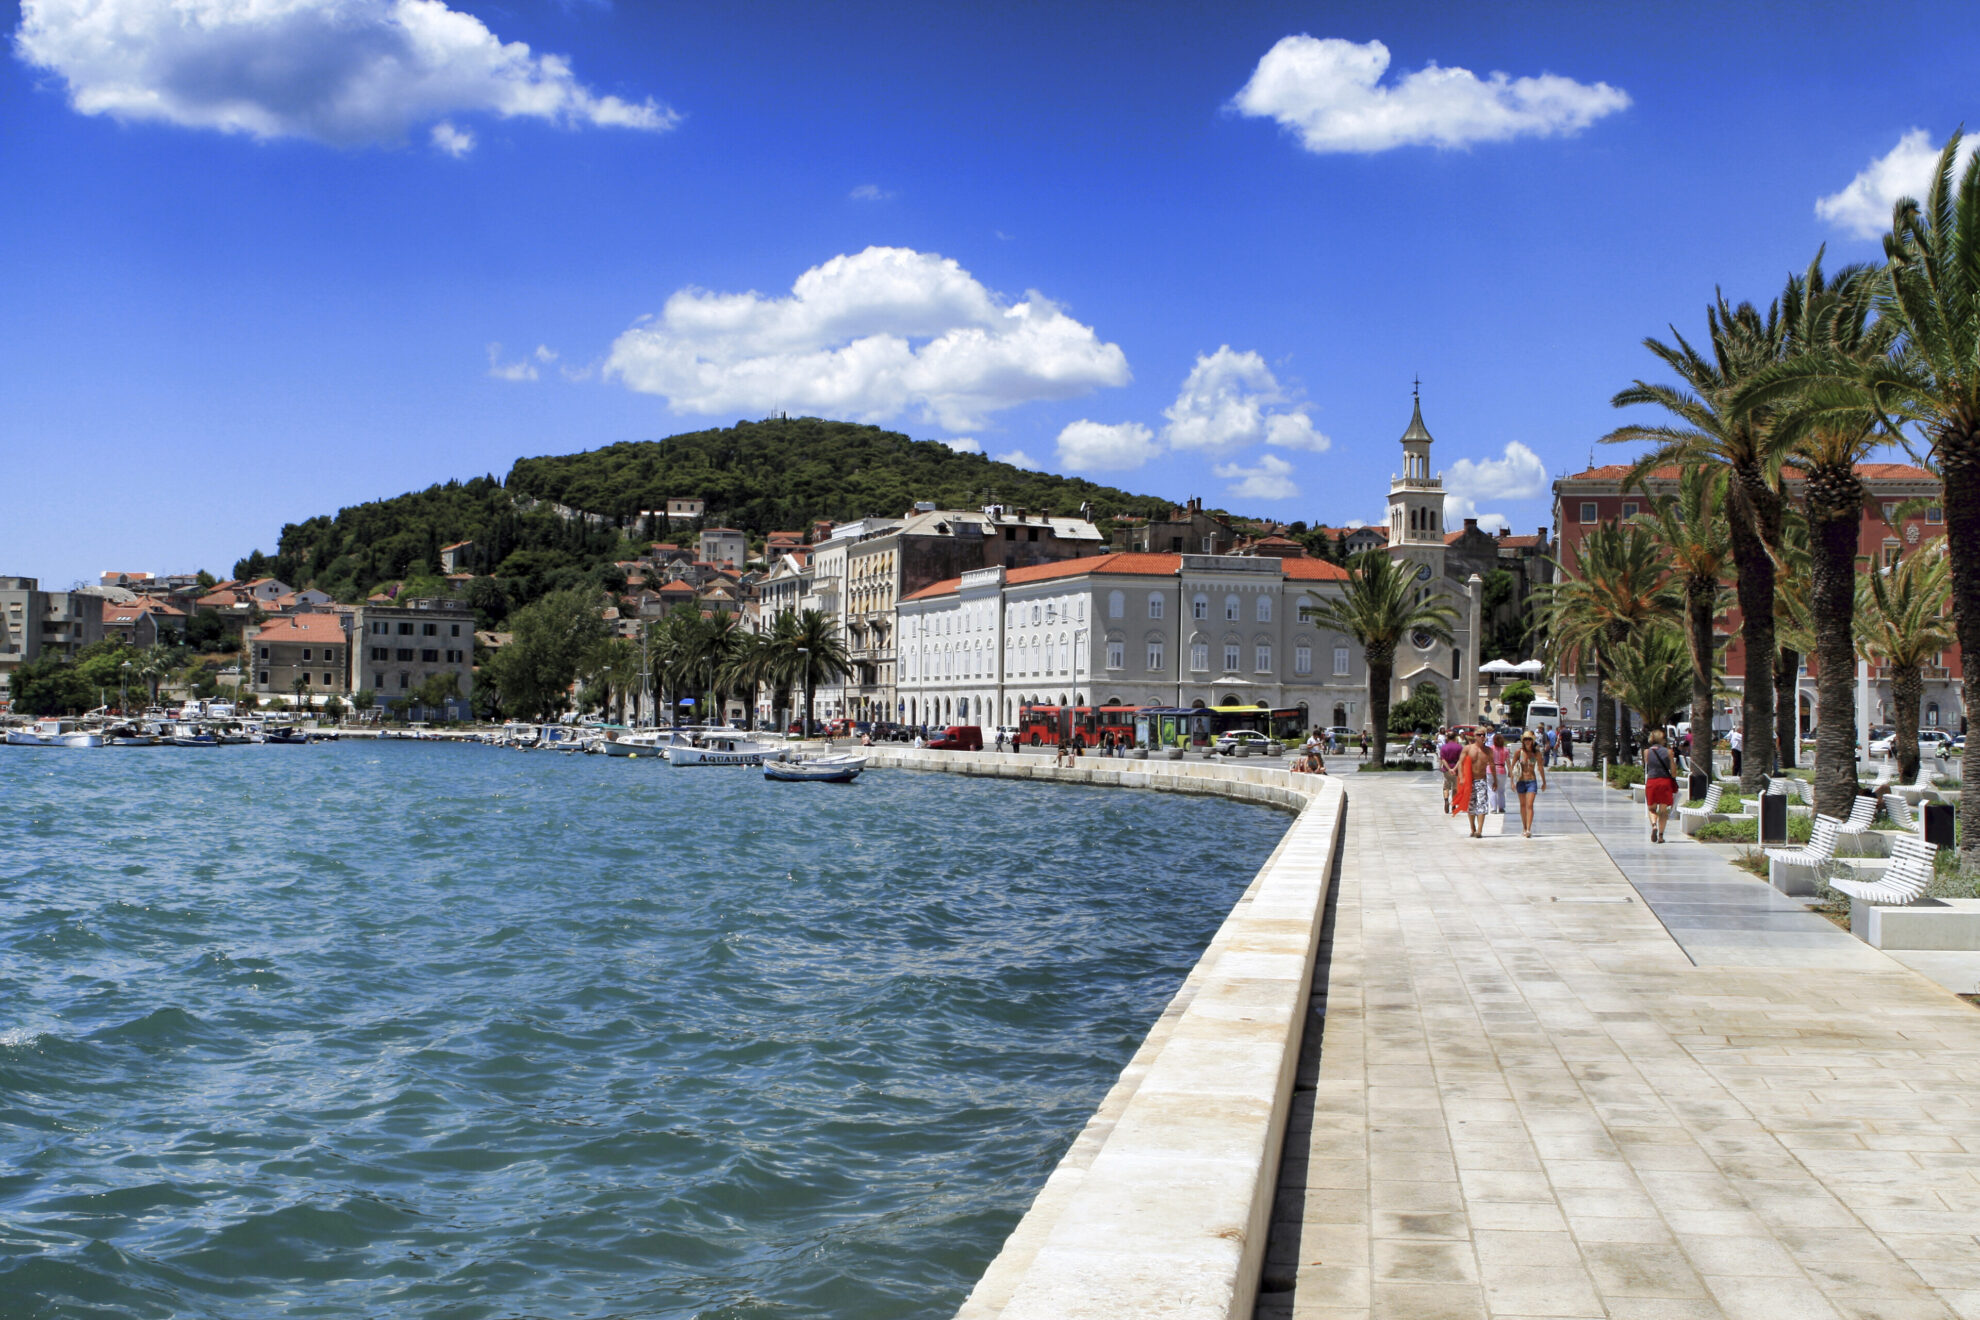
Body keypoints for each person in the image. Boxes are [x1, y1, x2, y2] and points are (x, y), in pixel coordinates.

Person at [1643, 728, 1679, 843]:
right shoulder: (1668, 752)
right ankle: (1661, 836)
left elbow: (1648, 765)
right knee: (1663, 811)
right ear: (1661, 739)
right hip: (1664, 782)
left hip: (1652, 781)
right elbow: (1673, 771)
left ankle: (1654, 825)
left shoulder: (1646, 752)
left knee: (1652, 809)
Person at [1456, 731, 1493, 838]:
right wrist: (1461, 777)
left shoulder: (1488, 750)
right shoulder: (1468, 749)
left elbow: (1492, 765)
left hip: (1481, 780)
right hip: (1469, 780)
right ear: (1475, 736)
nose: (1482, 736)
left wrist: (1495, 779)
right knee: (1471, 805)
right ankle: (1473, 828)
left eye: (1483, 735)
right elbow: (1460, 763)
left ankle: (1479, 830)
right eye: (1479, 735)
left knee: (1482, 804)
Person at [1510, 731, 1546, 837]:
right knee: (1522, 805)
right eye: (1525, 739)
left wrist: (1544, 781)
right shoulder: (1519, 752)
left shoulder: (1536, 753)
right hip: (1520, 781)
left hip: (1531, 781)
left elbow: (1540, 767)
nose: (1527, 741)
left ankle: (1529, 829)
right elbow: (1512, 767)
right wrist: (1512, 782)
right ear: (1523, 741)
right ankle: (1524, 827)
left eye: (1529, 739)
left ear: (1532, 740)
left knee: (1529, 805)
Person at [1438, 728, 1462, 811]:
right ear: (1455, 737)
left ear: (1447, 738)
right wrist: (1454, 769)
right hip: (1456, 770)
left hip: (1446, 770)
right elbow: (1460, 760)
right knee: (1455, 788)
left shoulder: (1444, 748)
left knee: (1446, 787)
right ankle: (1453, 804)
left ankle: (1446, 801)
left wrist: (1449, 769)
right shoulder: (1459, 747)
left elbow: (1443, 759)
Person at [1490, 731, 1510, 814]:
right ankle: (1501, 807)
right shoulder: (1505, 750)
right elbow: (1508, 762)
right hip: (1501, 769)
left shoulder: (1491, 749)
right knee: (1501, 790)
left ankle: (1493, 808)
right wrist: (1510, 771)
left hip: (1490, 770)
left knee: (1492, 789)